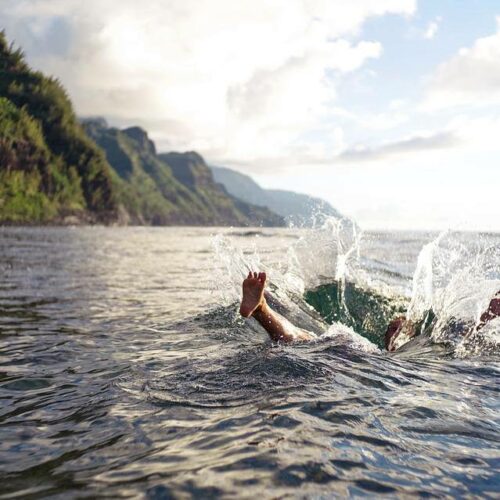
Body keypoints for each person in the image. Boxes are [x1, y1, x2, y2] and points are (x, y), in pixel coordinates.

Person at [240, 271, 500, 351]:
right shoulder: (438, 335)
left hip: (366, 357)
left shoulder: (428, 337)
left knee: (310, 341)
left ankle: (262, 308)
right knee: (309, 342)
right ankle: (262, 308)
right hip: (374, 361)